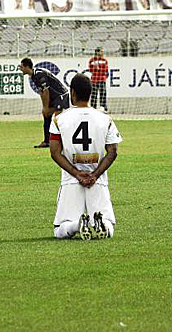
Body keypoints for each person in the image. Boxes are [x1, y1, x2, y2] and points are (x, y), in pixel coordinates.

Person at [49, 73, 121, 240]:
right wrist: (94, 175)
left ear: (72, 93)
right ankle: (101, 222)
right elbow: (112, 151)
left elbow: (54, 152)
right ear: (90, 93)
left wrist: (76, 173)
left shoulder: (59, 119)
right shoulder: (105, 119)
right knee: (109, 223)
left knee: (60, 229)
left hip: (71, 180)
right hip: (97, 180)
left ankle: (77, 224)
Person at [19, 58, 70, 149]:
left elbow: (46, 91)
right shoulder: (33, 76)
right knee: (46, 116)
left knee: (58, 118)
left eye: (21, 67)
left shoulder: (39, 74)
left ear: (27, 67)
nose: (20, 69)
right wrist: (44, 108)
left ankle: (65, 141)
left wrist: (46, 108)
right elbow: (42, 92)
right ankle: (47, 141)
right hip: (53, 97)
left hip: (61, 95)